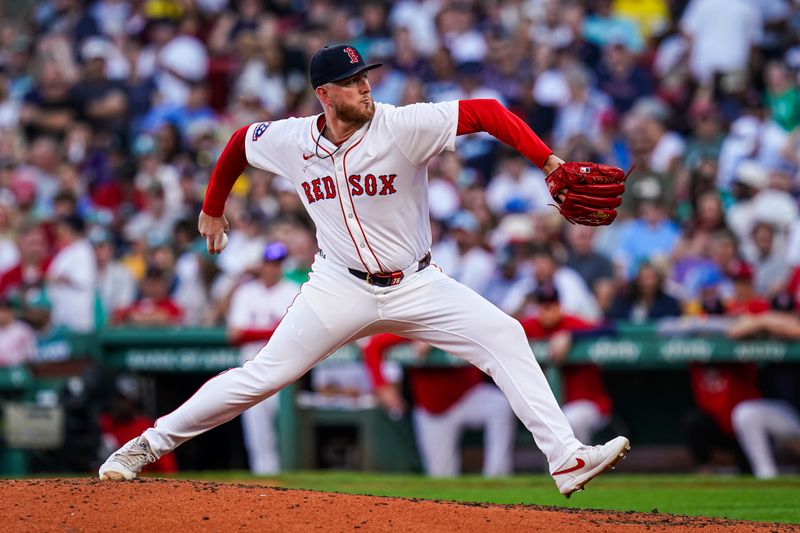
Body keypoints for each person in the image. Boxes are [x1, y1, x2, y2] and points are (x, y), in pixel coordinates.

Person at [99, 44, 630, 497]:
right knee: (260, 378)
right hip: (338, 286)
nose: (364, 88)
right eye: (350, 83)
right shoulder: (292, 140)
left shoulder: (402, 126)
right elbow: (240, 142)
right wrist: (213, 206)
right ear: (324, 95)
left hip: (418, 282)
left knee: (505, 335)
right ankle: (146, 444)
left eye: (365, 77)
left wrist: (550, 164)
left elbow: (487, 111)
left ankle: (566, 458)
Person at [363, 332, 516, 478]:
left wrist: (433, 338)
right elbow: (372, 347)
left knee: (500, 405)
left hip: (468, 396)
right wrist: (382, 386)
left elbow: (478, 332)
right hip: (433, 408)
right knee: (441, 477)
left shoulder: (454, 318)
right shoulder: (411, 325)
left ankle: (497, 475)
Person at [227, 242, 300, 475]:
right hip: (251, 368)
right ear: (261, 265)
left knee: (286, 431)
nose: (272, 268)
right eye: (269, 263)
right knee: (258, 436)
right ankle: (264, 486)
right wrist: (276, 330)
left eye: (277, 264)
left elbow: (297, 334)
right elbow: (235, 334)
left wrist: (257, 331)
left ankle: (291, 482)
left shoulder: (293, 290)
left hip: (284, 372)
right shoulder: (246, 292)